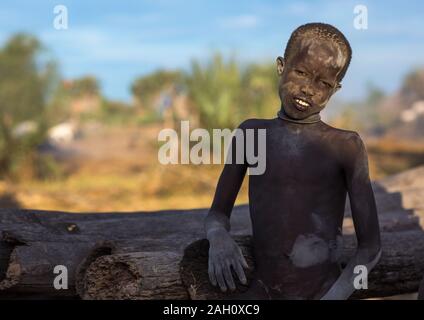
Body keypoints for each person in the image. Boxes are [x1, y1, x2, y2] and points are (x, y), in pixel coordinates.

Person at [204, 22, 382, 300]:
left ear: (335, 89)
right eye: (300, 72)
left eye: (323, 83)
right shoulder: (252, 133)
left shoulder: (346, 146)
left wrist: (335, 297)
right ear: (281, 66)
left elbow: (370, 248)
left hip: (325, 292)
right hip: (263, 290)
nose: (308, 89)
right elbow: (217, 214)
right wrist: (218, 238)